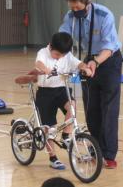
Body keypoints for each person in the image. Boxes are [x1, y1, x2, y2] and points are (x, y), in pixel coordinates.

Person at [59, 0, 123, 169]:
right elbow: (62, 38)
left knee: (109, 109)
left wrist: (96, 61)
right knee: (91, 109)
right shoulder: (70, 17)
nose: (75, 11)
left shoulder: (104, 15)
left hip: (109, 61)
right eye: (72, 7)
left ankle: (109, 155)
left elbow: (109, 47)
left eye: (78, 7)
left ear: (88, 2)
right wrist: (51, 54)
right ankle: (96, 152)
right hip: (88, 61)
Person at [35, 32, 92, 170]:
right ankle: (53, 158)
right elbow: (38, 63)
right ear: (50, 46)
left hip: (61, 90)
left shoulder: (66, 55)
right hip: (45, 93)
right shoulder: (43, 52)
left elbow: (78, 63)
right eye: (57, 55)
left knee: (72, 105)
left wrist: (85, 68)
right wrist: (45, 69)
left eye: (62, 55)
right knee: (49, 128)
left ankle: (66, 135)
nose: (60, 57)